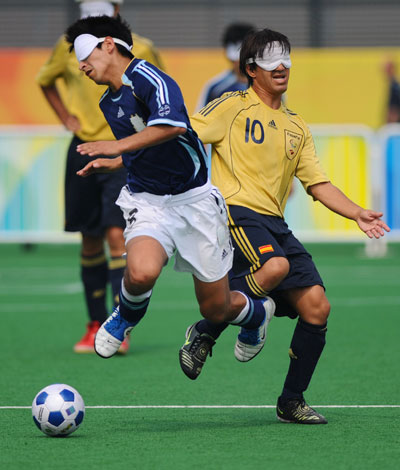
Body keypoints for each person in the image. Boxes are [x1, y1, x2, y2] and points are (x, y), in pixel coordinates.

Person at [184, 28, 390, 424]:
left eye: (286, 58)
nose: (280, 66)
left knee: (317, 307)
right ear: (250, 69)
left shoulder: (297, 126)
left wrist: (357, 212)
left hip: (274, 223)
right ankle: (207, 329)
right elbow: (186, 132)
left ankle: (290, 401)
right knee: (275, 267)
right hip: (235, 211)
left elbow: (318, 184)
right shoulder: (230, 106)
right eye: (269, 60)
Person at [64, 15, 276, 372]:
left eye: (84, 53)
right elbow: (144, 149)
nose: (81, 65)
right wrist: (116, 162)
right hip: (148, 201)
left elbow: (172, 125)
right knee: (141, 272)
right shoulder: (108, 102)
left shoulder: (152, 78)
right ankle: (126, 316)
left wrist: (116, 148)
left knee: (215, 308)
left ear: (109, 45)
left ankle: (256, 315)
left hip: (194, 202)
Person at [36, 0, 164, 354]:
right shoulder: (69, 48)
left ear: (117, 15)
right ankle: (93, 324)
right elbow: (44, 81)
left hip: (123, 151)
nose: (84, 63)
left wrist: (137, 144)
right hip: (83, 148)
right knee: (89, 238)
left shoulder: (142, 48)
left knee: (114, 235)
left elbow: (161, 102)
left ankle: (117, 326)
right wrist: (66, 118)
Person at [196, 23, 255, 109]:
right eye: (236, 50)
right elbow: (200, 118)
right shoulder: (215, 88)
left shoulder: (268, 85)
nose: (240, 60)